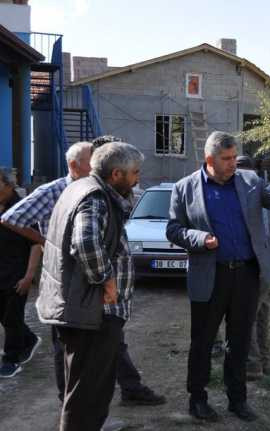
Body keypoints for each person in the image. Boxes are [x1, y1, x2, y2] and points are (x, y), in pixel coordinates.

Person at [167, 131, 270, 422]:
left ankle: (238, 400)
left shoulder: (249, 182)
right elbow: (173, 230)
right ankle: (197, 399)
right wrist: (198, 238)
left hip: (246, 275)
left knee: (240, 341)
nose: (234, 163)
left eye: (235, 157)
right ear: (210, 159)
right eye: (227, 159)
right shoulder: (185, 189)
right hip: (210, 276)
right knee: (203, 342)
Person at [1, 140, 165, 406]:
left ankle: (126, 390)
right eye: (93, 161)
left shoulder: (101, 191)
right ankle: (71, 403)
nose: (97, 167)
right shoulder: (60, 191)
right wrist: (50, 243)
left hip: (94, 292)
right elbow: (11, 218)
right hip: (71, 289)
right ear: (74, 165)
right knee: (70, 354)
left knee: (108, 344)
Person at [35, 142, 143, 431]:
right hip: (92, 313)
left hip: (81, 308)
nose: (138, 179)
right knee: (88, 393)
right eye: (134, 173)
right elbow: (84, 242)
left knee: (85, 389)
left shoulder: (79, 188)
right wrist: (106, 279)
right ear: (116, 174)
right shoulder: (95, 197)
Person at [0, 168, 42, 378]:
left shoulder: (22, 209)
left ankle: (11, 359)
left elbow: (36, 243)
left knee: (13, 317)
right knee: (4, 317)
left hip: (17, 274)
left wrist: (28, 276)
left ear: (8, 185)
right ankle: (29, 339)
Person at [236, 155, 270, 379]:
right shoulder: (264, 193)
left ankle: (252, 366)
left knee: (245, 316)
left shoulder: (248, 196)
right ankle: (265, 362)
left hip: (252, 268)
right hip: (265, 268)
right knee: (260, 315)